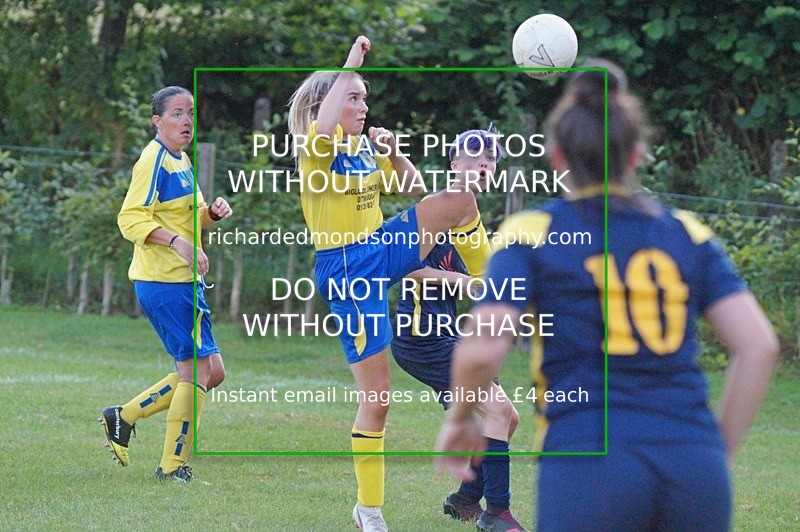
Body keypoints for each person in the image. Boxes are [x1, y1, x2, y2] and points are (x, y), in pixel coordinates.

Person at [435, 60, 779, 531]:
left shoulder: (531, 233)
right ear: (636, 156)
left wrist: (458, 419)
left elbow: (483, 347)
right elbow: (759, 346)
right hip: (693, 465)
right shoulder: (687, 232)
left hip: (589, 460)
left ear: (557, 157)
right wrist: (714, 453)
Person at [287, 36, 488, 531]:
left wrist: (394, 153)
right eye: (353, 96)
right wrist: (349, 65)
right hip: (348, 270)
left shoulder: (360, 149)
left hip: (381, 245)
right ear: (327, 105)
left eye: (364, 96)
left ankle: (496, 282)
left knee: (457, 199)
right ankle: (369, 510)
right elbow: (327, 125)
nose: (363, 105)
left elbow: (413, 189)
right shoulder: (317, 149)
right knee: (377, 401)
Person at [390, 127, 525, 531]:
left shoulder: (467, 217)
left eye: (490, 159)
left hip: (445, 337)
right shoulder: (439, 206)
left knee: (507, 418)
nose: (484, 164)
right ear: (454, 164)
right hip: (421, 339)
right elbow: (406, 266)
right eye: (474, 157)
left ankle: (465, 499)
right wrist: (464, 283)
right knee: (498, 412)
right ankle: (496, 514)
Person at [100, 85, 232, 482]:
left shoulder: (182, 160)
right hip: (164, 282)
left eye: (190, 112)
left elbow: (191, 220)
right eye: (176, 113)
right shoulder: (153, 160)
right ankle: (172, 468)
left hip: (184, 282)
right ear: (157, 121)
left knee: (214, 372)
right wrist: (177, 244)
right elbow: (131, 219)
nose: (186, 121)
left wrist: (210, 213)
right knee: (195, 373)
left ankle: (124, 415)